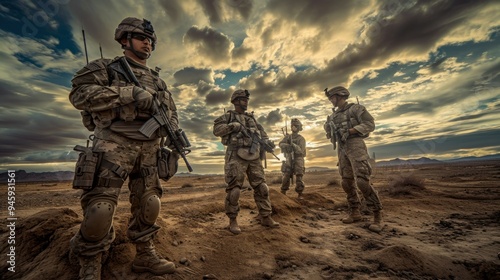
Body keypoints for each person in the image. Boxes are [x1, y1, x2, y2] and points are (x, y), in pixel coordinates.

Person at [68, 17, 178, 279]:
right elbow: (79, 95)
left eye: (150, 40)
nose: (148, 43)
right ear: (125, 40)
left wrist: (171, 131)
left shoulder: (158, 81)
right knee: (100, 209)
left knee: (150, 203)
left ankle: (144, 254)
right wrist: (130, 94)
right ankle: (90, 264)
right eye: (142, 38)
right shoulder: (106, 68)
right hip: (113, 143)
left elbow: (171, 112)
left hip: (149, 149)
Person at [213, 89, 280, 234]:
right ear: (236, 101)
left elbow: (263, 134)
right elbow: (217, 130)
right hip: (235, 155)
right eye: (243, 99)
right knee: (234, 190)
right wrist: (232, 127)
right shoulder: (228, 116)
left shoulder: (252, 119)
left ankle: (266, 216)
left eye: (247, 100)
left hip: (254, 156)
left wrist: (268, 143)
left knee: (262, 187)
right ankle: (233, 220)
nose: (246, 102)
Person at [323, 86, 383, 233]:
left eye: (332, 97)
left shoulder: (355, 109)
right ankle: (355, 212)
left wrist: (350, 130)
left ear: (340, 96)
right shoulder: (334, 116)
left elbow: (370, 124)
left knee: (362, 181)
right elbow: (329, 132)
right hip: (342, 148)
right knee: (346, 181)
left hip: (355, 144)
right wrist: (329, 129)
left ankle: (377, 215)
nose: (331, 100)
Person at [279, 118, 306, 199]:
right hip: (289, 158)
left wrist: (293, 145)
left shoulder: (301, 138)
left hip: (298, 158)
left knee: (299, 175)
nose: (294, 127)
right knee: (286, 175)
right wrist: (287, 145)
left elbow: (300, 150)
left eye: (296, 126)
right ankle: (283, 191)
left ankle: (300, 193)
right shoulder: (287, 137)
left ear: (298, 128)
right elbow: (280, 144)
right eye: (293, 126)